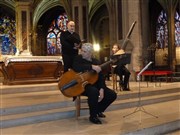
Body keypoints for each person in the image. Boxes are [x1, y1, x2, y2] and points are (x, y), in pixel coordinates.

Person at [72, 43, 117, 124]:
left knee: (112, 95)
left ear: (90, 53)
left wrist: (102, 89)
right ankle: (93, 116)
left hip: (95, 84)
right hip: (82, 85)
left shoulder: (96, 61)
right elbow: (76, 67)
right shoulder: (78, 58)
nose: (81, 52)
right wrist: (91, 67)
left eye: (84, 51)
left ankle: (98, 110)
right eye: (81, 50)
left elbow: (100, 77)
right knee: (93, 91)